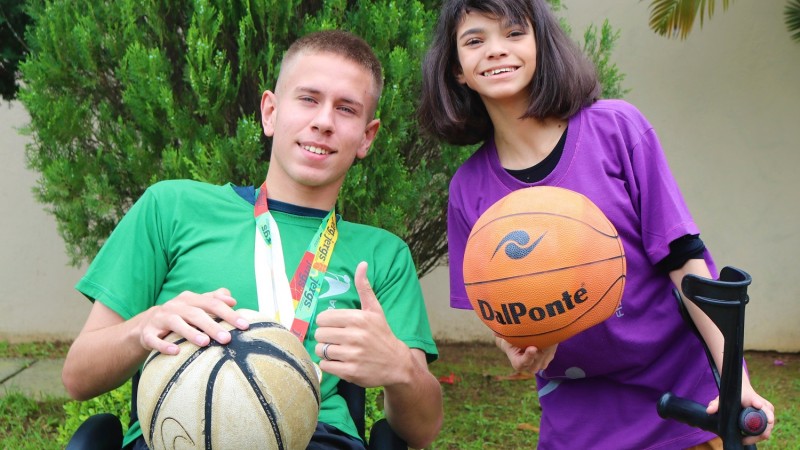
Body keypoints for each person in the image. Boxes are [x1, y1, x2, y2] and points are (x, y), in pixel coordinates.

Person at [62, 30, 443, 450]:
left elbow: (422, 431)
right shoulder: (171, 207)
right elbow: (79, 376)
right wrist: (144, 326)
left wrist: (401, 370)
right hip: (177, 435)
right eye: (308, 99)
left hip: (315, 440)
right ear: (270, 112)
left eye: (346, 109)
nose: (323, 121)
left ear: (367, 137)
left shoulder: (383, 256)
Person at [418, 0, 774, 448]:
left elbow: (686, 262)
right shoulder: (468, 189)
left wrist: (733, 377)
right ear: (456, 69)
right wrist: (517, 345)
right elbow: (502, 311)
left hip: (686, 395)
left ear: (540, 44)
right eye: (475, 40)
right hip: (578, 414)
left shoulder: (616, 129)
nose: (495, 50)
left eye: (513, 33)